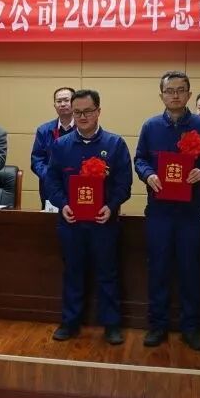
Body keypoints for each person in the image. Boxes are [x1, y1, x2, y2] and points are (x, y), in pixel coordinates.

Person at [134, 72, 200, 351]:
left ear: (189, 94)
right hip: (159, 210)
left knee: (189, 269)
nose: (175, 95)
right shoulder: (151, 126)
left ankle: (190, 328)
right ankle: (157, 325)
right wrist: (148, 174)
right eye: (169, 90)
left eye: (180, 90)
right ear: (161, 95)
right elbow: (140, 159)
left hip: (190, 211)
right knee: (158, 268)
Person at [44, 89, 133, 345]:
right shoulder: (61, 145)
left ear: (98, 111)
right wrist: (62, 205)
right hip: (71, 222)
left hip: (104, 223)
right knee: (73, 273)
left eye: (88, 111)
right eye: (77, 112)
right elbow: (52, 182)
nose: (82, 117)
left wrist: (111, 206)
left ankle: (111, 325)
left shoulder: (115, 144)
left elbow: (124, 184)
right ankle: (70, 322)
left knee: (108, 274)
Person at [30, 86, 76, 208]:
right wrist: (51, 176)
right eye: (59, 101)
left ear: (75, 103)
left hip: (77, 185)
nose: (62, 104)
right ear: (54, 105)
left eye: (66, 100)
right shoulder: (44, 130)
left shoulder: (83, 129)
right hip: (50, 187)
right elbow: (37, 160)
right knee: (50, 219)